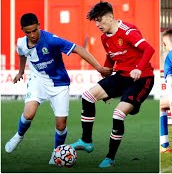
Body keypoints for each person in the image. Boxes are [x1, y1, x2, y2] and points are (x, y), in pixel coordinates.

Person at [4, 13, 111, 164]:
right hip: (38, 80)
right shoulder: (21, 43)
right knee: (28, 114)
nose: (32, 35)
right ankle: (19, 136)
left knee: (61, 125)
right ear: (23, 30)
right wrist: (21, 71)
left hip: (59, 83)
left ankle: (56, 153)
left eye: (34, 30)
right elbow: (22, 54)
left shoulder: (52, 41)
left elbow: (79, 49)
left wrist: (99, 67)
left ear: (39, 25)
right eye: (28, 32)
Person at [69, 1, 155, 168]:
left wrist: (138, 68)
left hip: (142, 78)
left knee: (117, 115)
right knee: (87, 96)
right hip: (121, 76)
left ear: (110, 17)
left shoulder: (128, 31)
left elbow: (149, 49)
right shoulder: (104, 38)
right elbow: (111, 58)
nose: (98, 24)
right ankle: (86, 141)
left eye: (100, 20)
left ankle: (110, 158)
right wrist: (106, 72)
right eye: (95, 21)